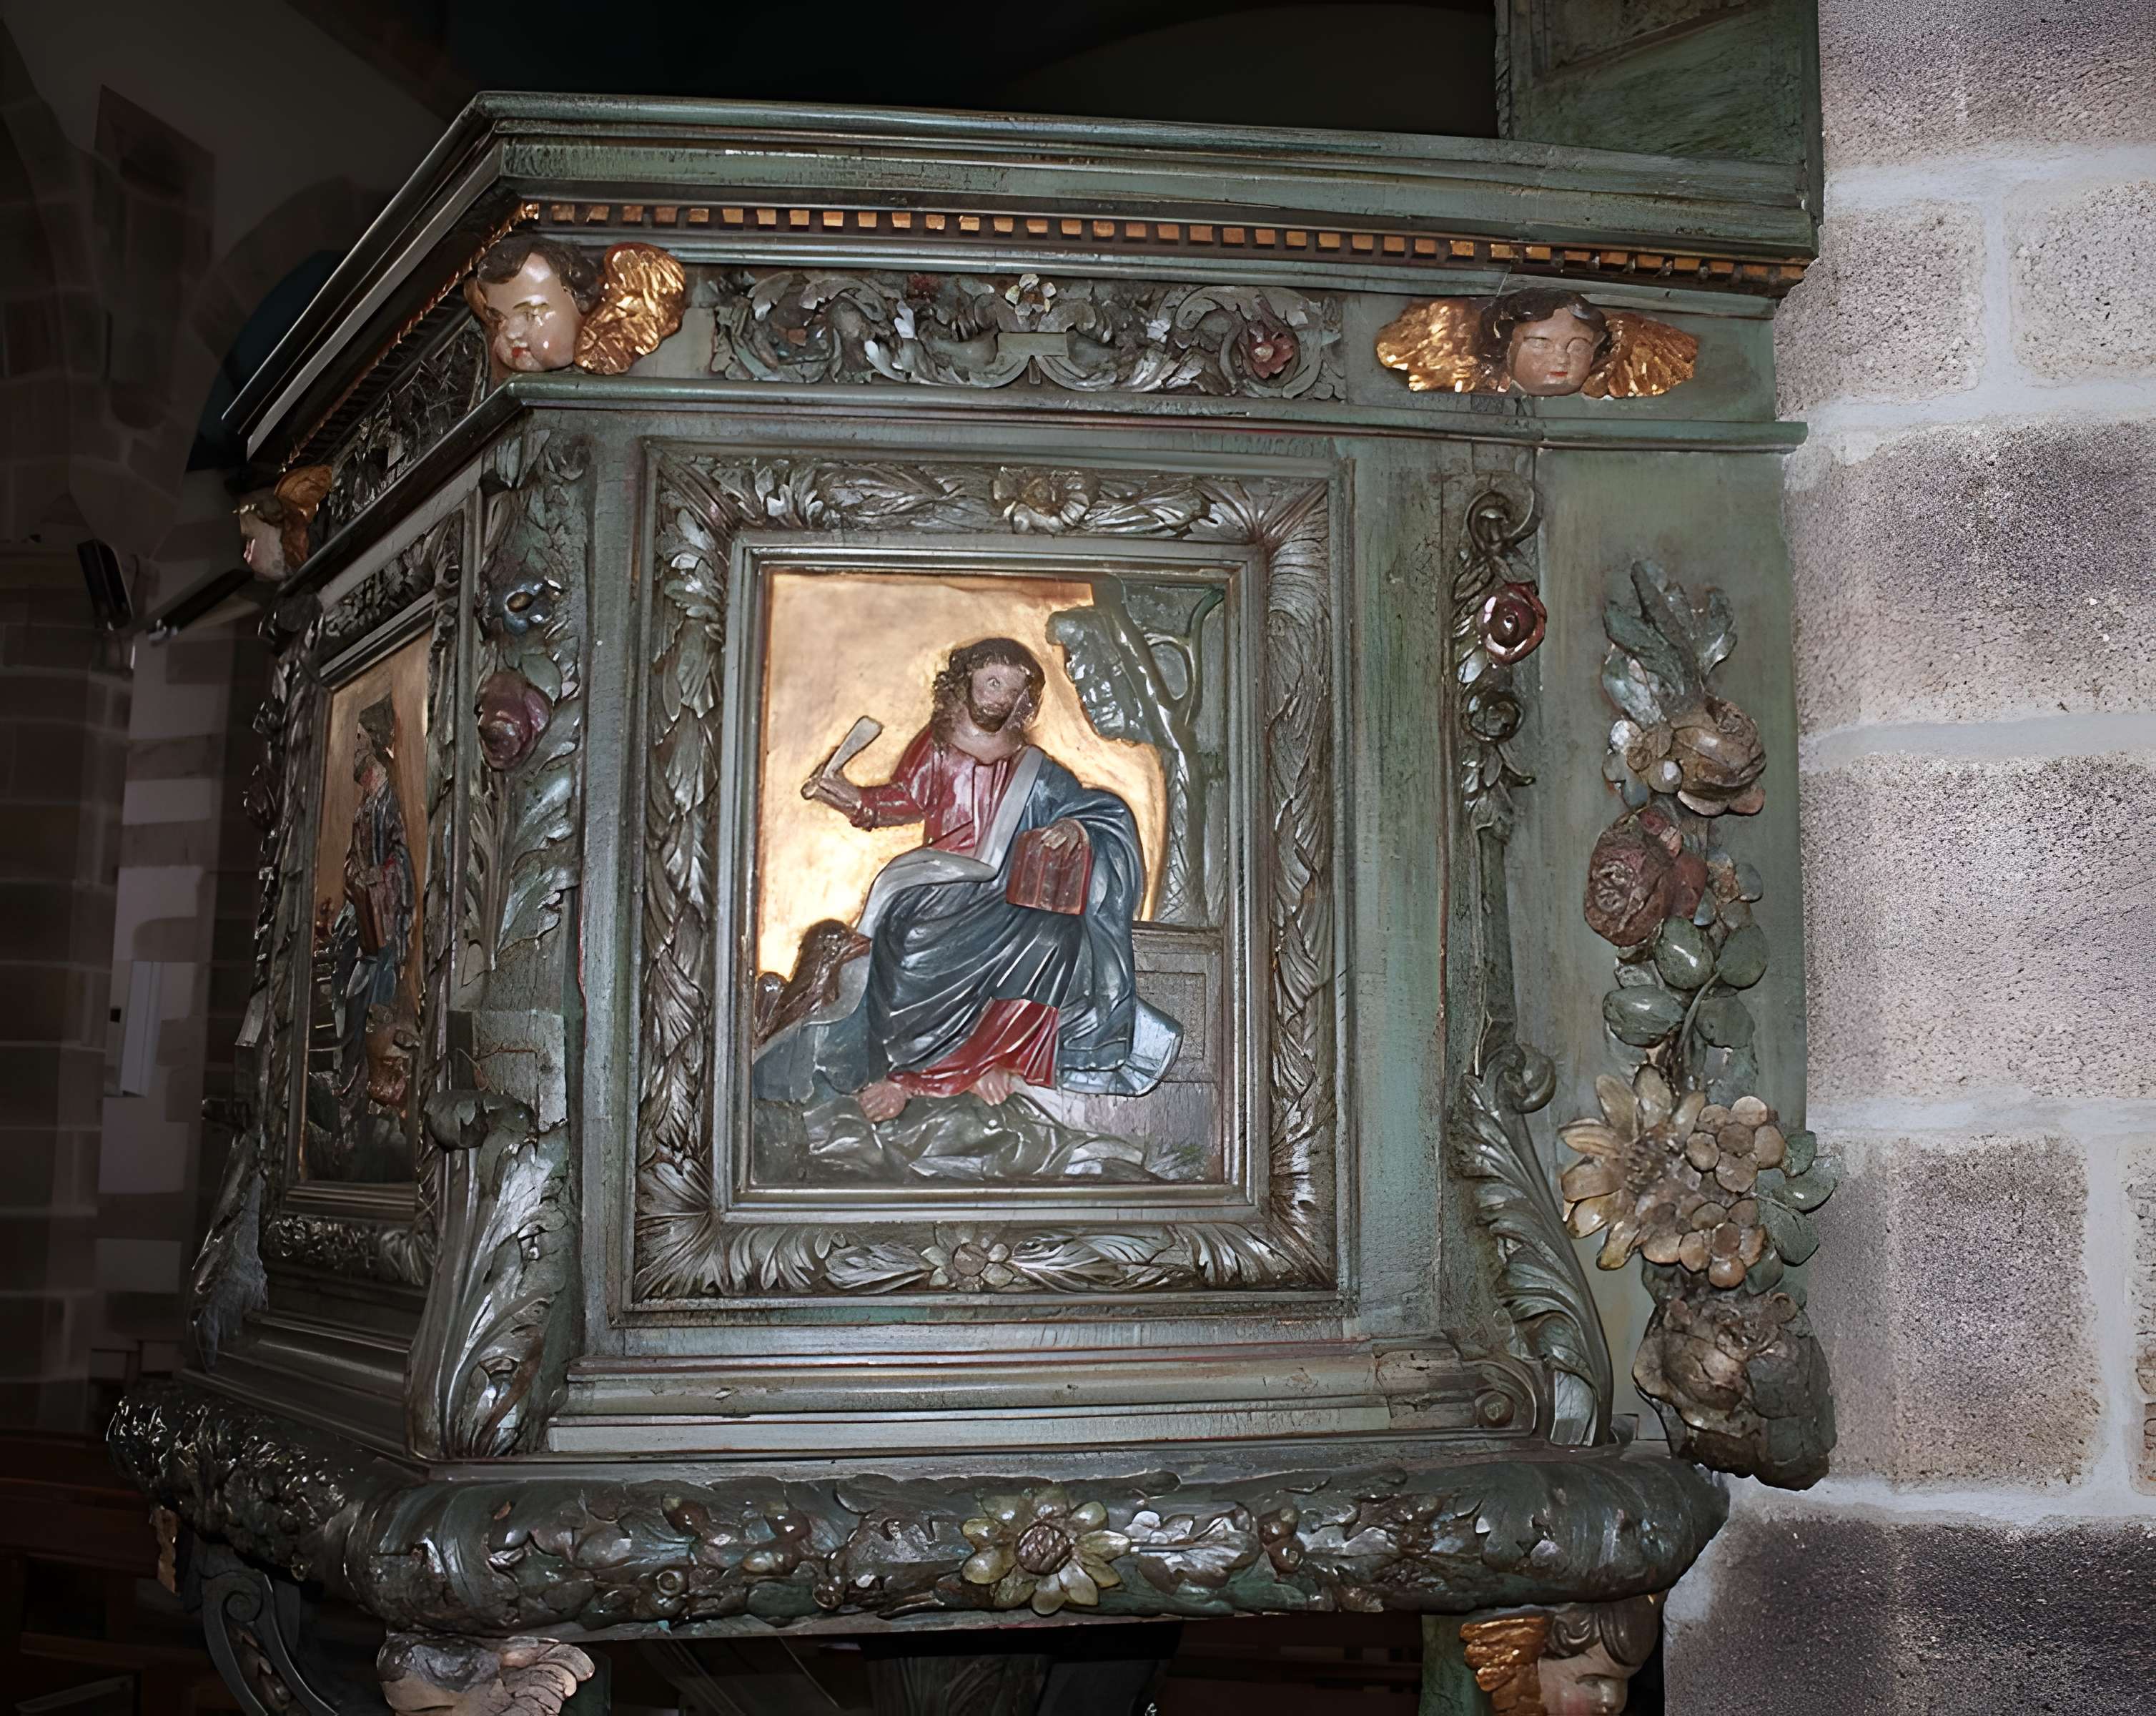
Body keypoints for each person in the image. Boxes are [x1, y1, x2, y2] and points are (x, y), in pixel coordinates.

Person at [763, 637, 1178, 1121]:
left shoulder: (1034, 768)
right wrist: (849, 797)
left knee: (1055, 939)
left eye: (1011, 690)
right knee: (913, 947)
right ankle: (913, 1074)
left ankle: (988, 1064)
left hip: (1008, 895)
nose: (999, 697)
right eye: (991, 682)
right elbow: (901, 801)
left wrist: (1075, 828)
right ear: (966, 683)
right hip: (936, 886)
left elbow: (1091, 810)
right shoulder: (938, 747)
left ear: (1023, 702)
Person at [326, 699, 417, 1128]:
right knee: (344, 995)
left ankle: (363, 1098)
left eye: (359, 739)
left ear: (375, 743)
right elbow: (353, 861)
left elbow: (401, 860)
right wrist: (353, 879)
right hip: (361, 924)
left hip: (381, 933)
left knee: (367, 1007)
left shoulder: (386, 801)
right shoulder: (365, 804)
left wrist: (374, 881)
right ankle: (349, 1091)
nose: (354, 748)